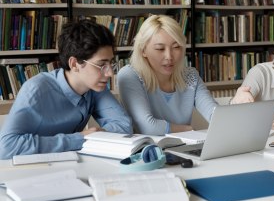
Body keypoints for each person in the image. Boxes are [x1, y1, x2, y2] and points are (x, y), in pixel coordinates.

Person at [0, 19, 132, 159]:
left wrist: (96, 135)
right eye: (101, 65)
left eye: (111, 63)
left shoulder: (95, 86)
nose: (110, 73)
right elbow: (6, 148)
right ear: (74, 64)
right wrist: (78, 139)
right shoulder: (36, 90)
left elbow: (124, 126)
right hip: (30, 172)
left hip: (69, 166)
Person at [117, 14, 218, 135]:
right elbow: (147, 127)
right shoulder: (129, 75)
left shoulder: (191, 76)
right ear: (143, 50)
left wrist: (235, 103)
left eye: (176, 47)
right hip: (146, 151)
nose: (169, 56)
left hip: (181, 148)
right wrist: (187, 129)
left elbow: (215, 115)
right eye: (160, 49)